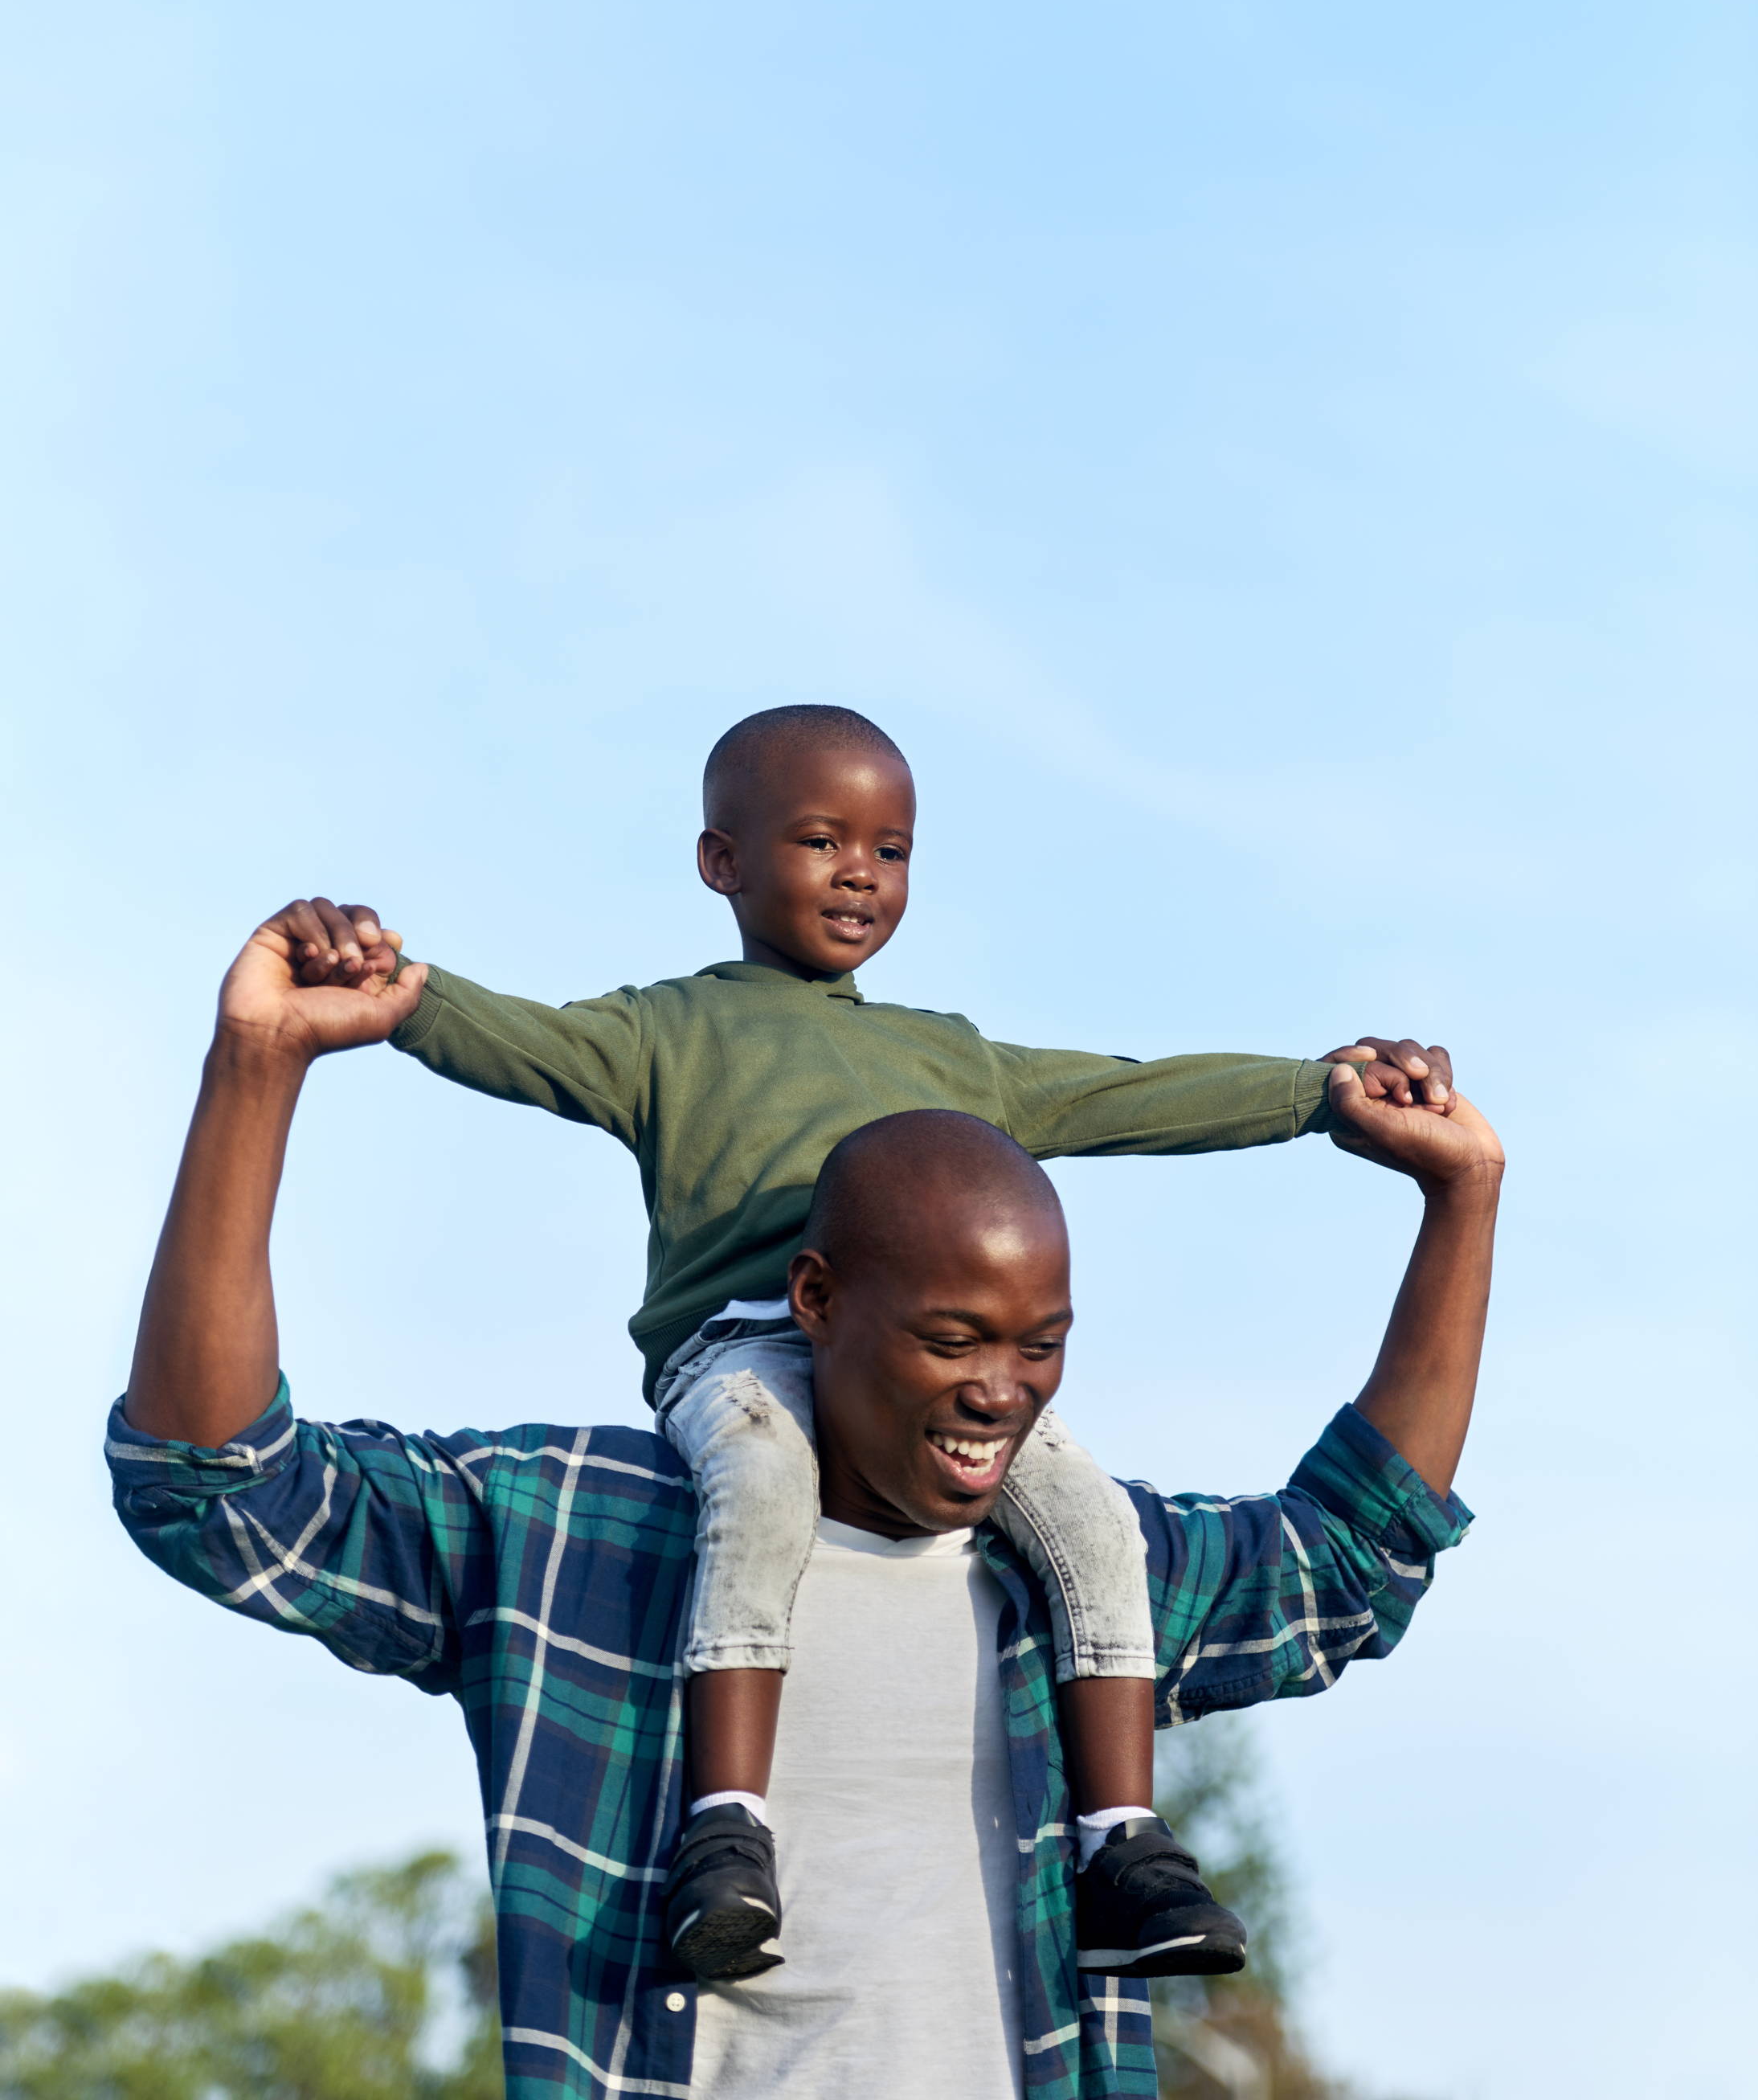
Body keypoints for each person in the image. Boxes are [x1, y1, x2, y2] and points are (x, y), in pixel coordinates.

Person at [110, 915, 1496, 2100]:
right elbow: (219, 1490)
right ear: (820, 1304)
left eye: (1039, 1347)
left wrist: (1461, 1199)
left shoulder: (1087, 1578)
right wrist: (259, 1066)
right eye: (951, 1341)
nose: (999, 1394)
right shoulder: (574, 1538)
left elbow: (1348, 1561)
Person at [255, 702, 1458, 1981]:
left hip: (929, 1376)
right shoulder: (670, 1031)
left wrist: (1313, 1093)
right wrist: (380, 985)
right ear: (723, 862)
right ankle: (726, 1827)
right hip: (747, 1356)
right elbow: (522, 1040)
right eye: (822, 840)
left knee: (1094, 1519)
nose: (858, 875)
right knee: (764, 1486)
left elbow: (1121, 1092)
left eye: (890, 851)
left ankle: (1122, 1842)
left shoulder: (946, 1057)